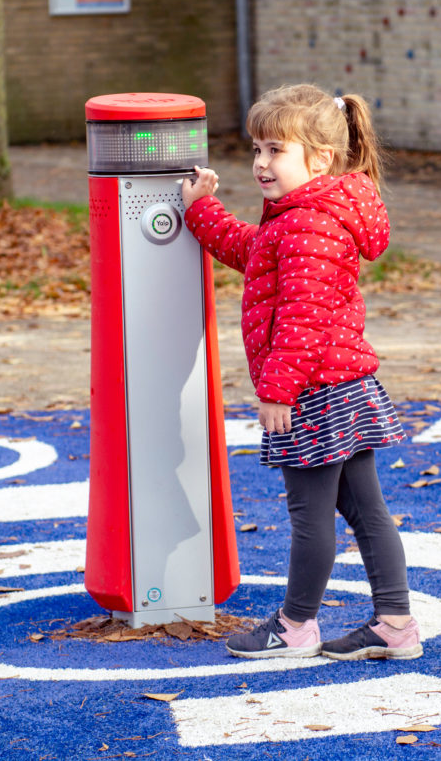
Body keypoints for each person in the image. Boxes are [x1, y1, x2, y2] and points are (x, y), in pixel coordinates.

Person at [180, 83, 421, 661]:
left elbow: (302, 318)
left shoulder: (309, 224)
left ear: (321, 158)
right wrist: (200, 211)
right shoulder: (303, 216)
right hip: (345, 386)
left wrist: (277, 391)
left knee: (309, 515)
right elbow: (254, 250)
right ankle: (395, 623)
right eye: (257, 149)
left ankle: (296, 626)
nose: (261, 163)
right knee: (366, 510)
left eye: (275, 151)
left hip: (313, 390)